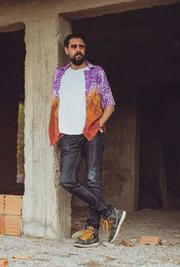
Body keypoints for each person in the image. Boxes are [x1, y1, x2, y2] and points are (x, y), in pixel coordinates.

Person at [49, 33, 126, 248]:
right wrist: (58, 129)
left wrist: (100, 122)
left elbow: (109, 103)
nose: (78, 49)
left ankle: (92, 231)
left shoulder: (96, 72)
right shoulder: (59, 75)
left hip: (91, 132)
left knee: (93, 180)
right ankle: (110, 211)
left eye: (81, 46)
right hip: (68, 134)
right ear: (66, 50)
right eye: (73, 46)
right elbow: (57, 103)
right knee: (67, 179)